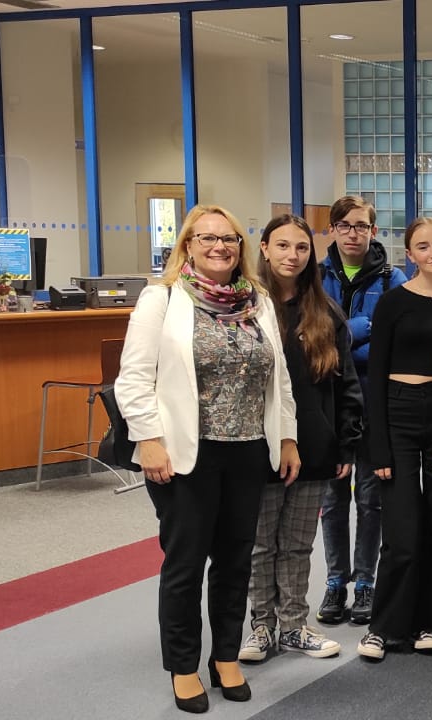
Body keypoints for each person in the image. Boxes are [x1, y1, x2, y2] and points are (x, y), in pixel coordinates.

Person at [114, 204, 302, 714]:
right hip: (184, 455)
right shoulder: (162, 299)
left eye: (229, 238)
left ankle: (225, 657)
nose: (220, 246)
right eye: (207, 238)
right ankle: (182, 666)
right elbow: (133, 378)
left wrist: (287, 438)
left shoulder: (257, 301)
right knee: (186, 563)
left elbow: (279, 378)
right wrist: (148, 439)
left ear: (241, 247)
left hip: (248, 451)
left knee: (236, 562)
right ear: (188, 246)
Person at [239, 215, 363, 666]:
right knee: (260, 545)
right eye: (283, 246)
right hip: (260, 444)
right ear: (264, 248)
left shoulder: (325, 312)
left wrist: (346, 444)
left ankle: (293, 625)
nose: (292, 256)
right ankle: (261, 625)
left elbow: (346, 385)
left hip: (314, 443)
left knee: (297, 543)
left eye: (302, 248)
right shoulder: (246, 308)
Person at [357, 218, 432, 661]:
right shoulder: (393, 302)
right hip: (398, 413)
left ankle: (430, 623)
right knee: (402, 533)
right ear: (410, 254)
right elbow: (376, 372)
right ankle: (384, 627)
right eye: (423, 246)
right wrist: (378, 445)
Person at [317, 196, 408, 627]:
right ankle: (336, 580)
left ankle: (366, 582)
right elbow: (308, 341)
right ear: (333, 229)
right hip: (328, 406)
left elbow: (395, 345)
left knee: (371, 501)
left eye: (361, 226)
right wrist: (354, 333)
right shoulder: (315, 277)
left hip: (375, 405)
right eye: (344, 225)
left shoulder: (393, 280)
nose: (353, 233)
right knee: (333, 500)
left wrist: (337, 342)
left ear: (373, 230)